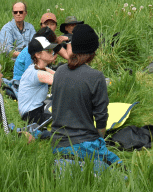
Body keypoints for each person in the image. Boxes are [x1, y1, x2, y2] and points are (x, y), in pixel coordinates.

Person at [47, 24, 121, 169]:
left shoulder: (60, 71)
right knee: (121, 170)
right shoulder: (96, 77)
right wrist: (100, 141)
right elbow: (101, 117)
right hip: (84, 144)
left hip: (57, 143)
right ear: (92, 52)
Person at [18, 35, 60, 124]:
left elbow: (60, 76)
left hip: (38, 108)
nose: (52, 52)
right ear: (38, 55)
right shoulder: (38, 73)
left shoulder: (39, 68)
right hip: (31, 115)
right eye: (48, 50)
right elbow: (63, 82)